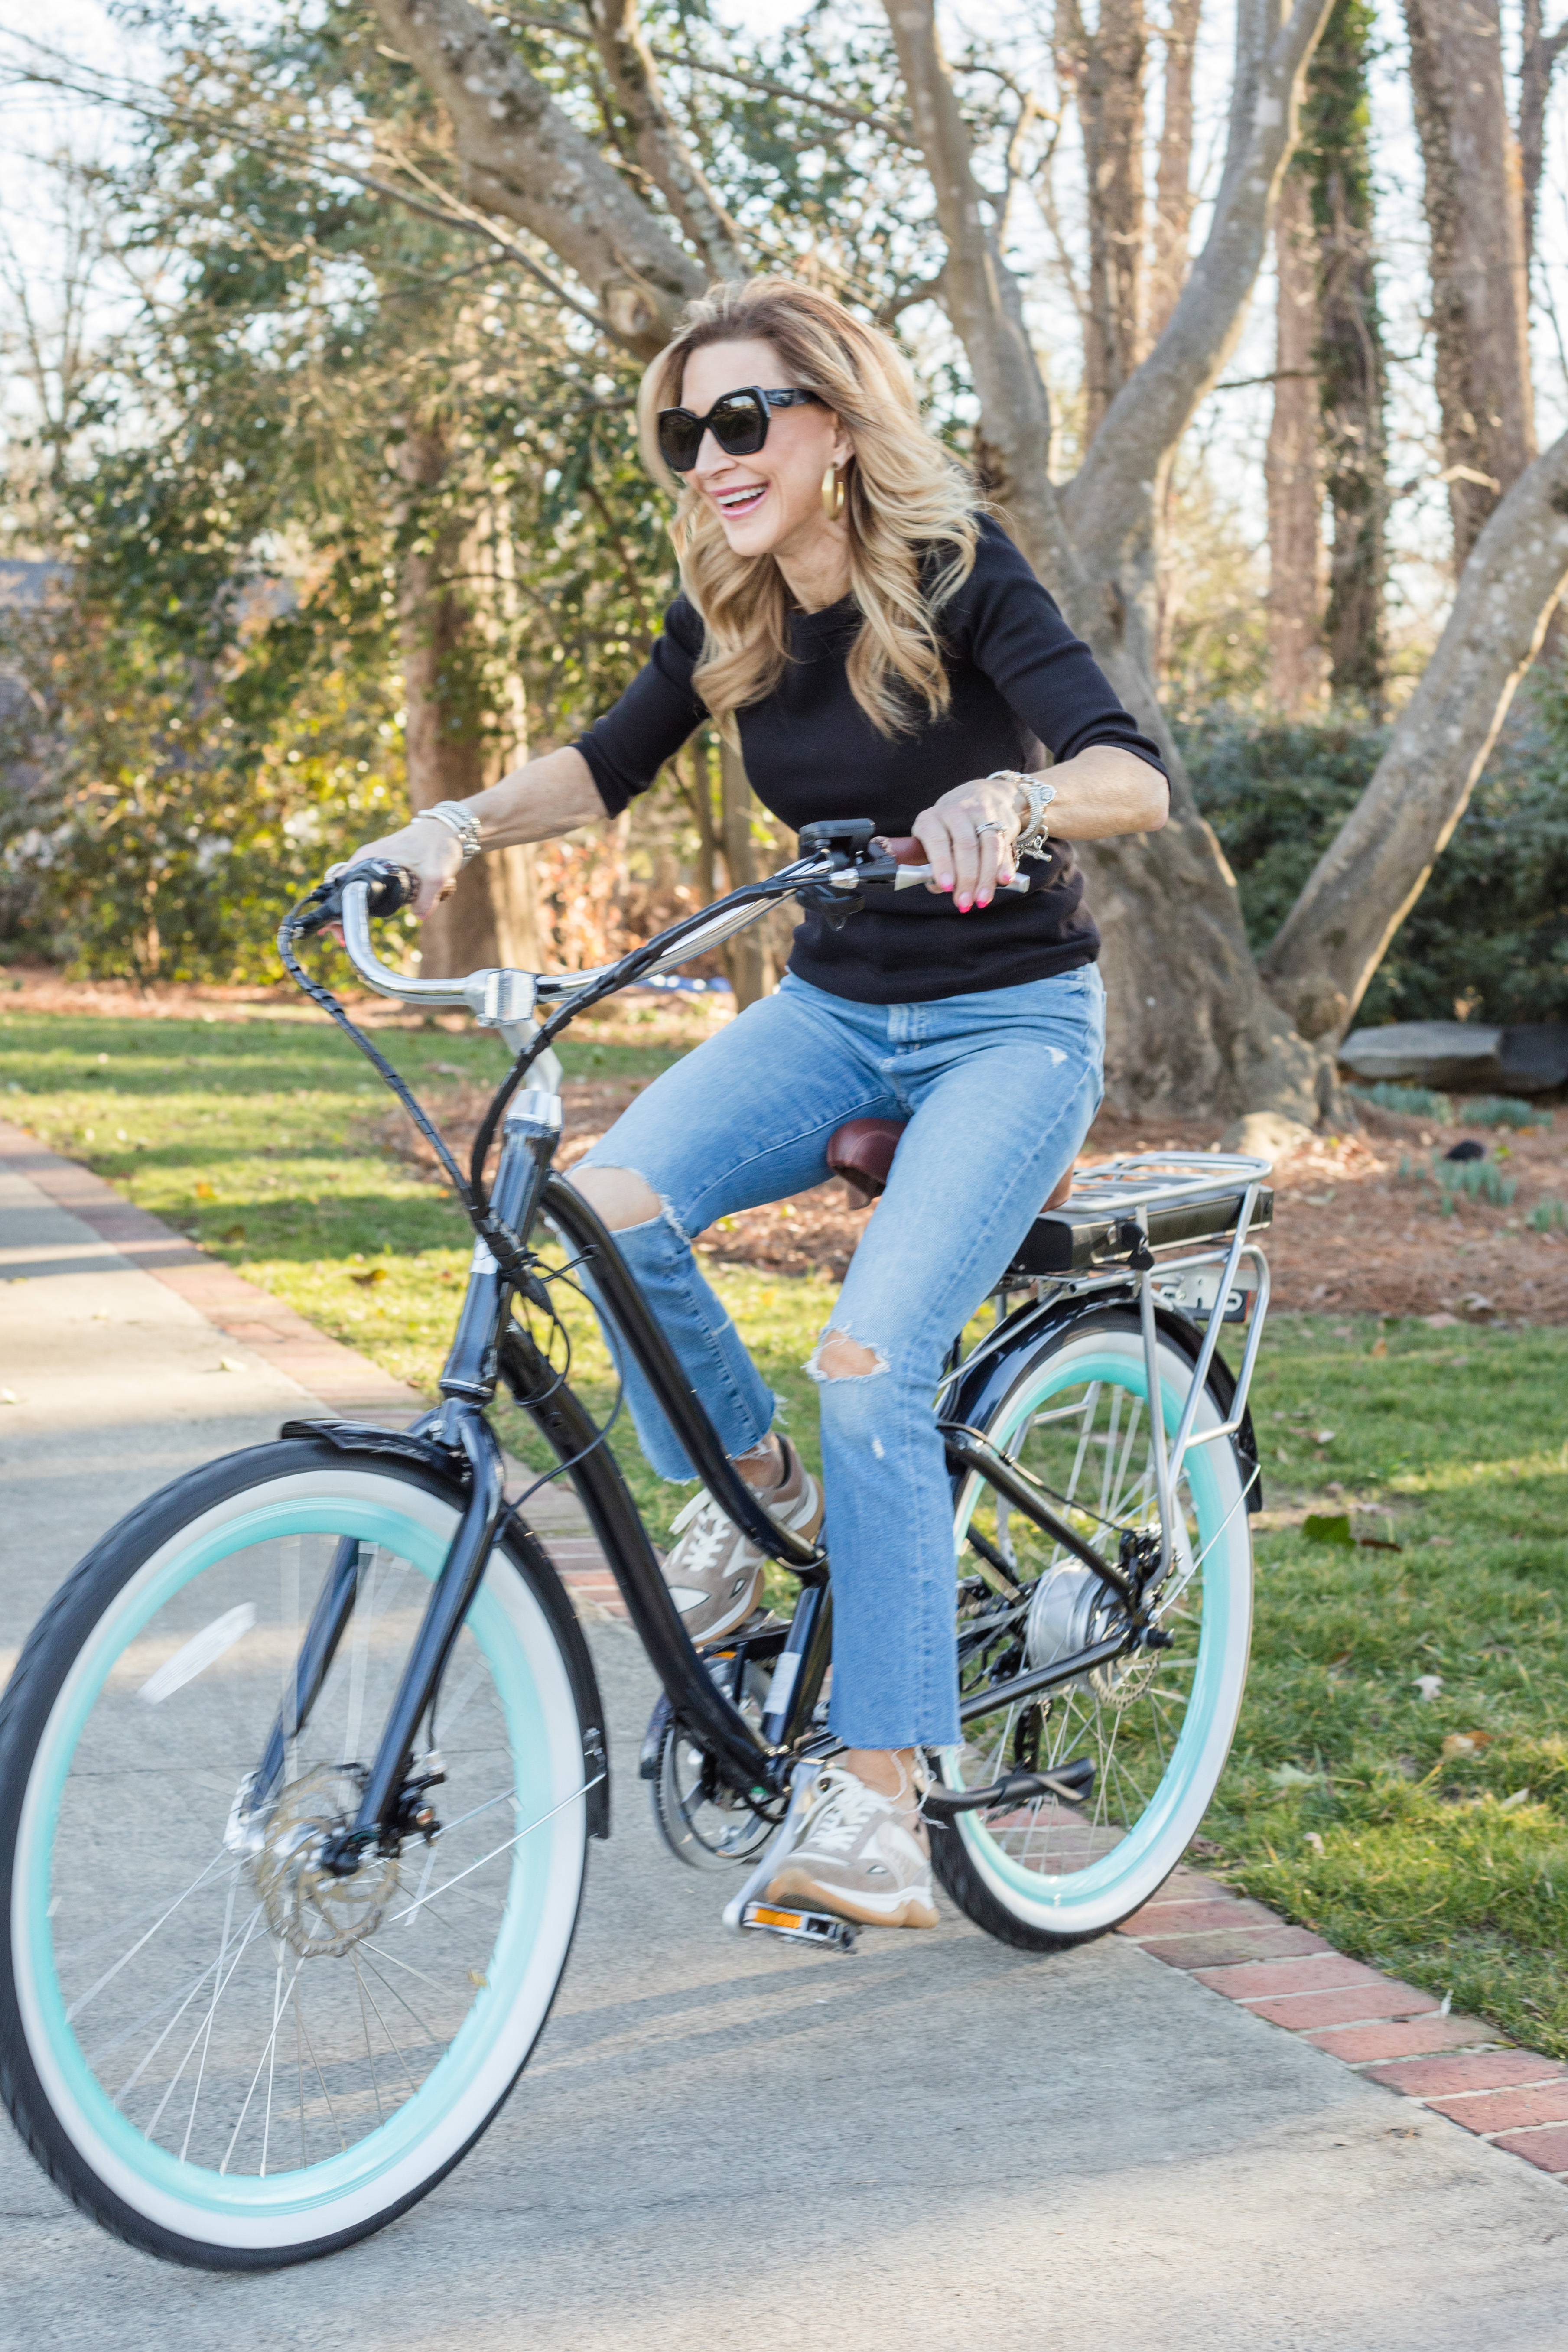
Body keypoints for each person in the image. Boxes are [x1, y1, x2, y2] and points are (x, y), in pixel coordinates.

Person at [344, 277, 1168, 1932]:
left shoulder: (956, 574)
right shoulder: (733, 611)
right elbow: (600, 764)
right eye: (683, 428)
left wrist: (1013, 790)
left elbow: (1128, 773)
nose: (709, 455)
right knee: (608, 1202)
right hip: (836, 1009)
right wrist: (447, 824)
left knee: (872, 1362)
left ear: (834, 425)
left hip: (1009, 1023)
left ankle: (880, 1797)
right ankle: (756, 1493)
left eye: (741, 418)